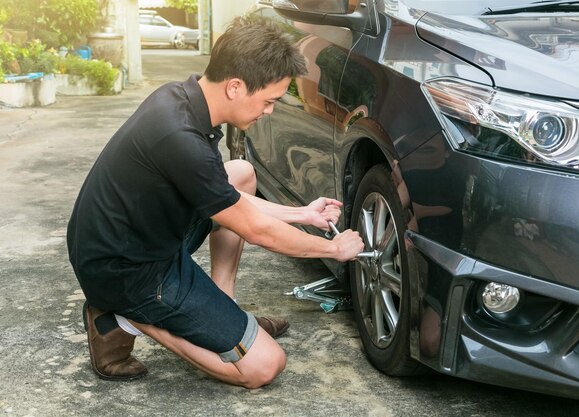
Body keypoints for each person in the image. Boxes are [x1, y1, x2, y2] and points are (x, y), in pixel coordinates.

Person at [66, 17, 364, 389]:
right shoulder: (180, 138)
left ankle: (226, 310)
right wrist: (333, 248)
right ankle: (127, 319)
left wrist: (302, 214)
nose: (270, 110)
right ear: (236, 86)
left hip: (131, 240)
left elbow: (224, 196)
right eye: (269, 100)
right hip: (128, 273)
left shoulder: (182, 99)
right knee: (264, 366)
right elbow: (256, 230)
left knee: (239, 172)